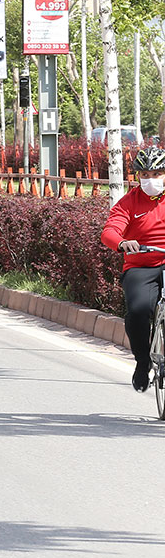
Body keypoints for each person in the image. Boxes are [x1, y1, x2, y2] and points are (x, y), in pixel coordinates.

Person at [102, 146, 165, 391]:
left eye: (157, 174)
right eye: (145, 175)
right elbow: (109, 231)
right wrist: (121, 242)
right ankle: (142, 362)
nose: (151, 180)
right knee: (138, 312)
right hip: (141, 264)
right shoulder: (129, 202)